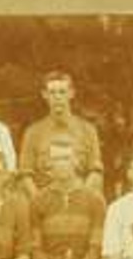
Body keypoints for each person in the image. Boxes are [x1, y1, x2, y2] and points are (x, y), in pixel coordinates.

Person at [18, 71, 104, 201]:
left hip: (80, 201)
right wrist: (39, 201)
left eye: (62, 92)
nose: (57, 97)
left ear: (71, 93)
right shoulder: (33, 133)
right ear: (45, 95)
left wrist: (81, 199)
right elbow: (25, 175)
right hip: (45, 202)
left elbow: (96, 172)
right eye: (52, 92)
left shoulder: (88, 130)